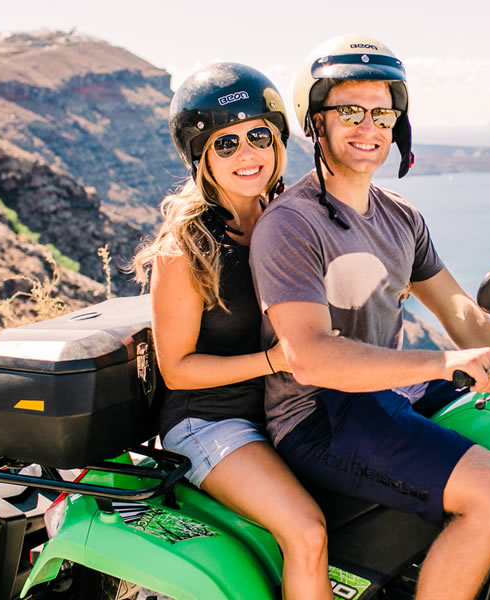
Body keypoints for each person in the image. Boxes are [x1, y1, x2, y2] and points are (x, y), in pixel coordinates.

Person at [250, 36, 490, 600]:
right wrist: (449, 361)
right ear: (315, 121)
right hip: (319, 415)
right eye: (349, 111)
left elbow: (456, 307)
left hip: (386, 396)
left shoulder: (401, 217)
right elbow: (310, 357)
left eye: (382, 112)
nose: (368, 126)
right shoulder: (292, 225)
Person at [132, 63, 331, 600]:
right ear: (201, 158)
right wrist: (277, 361)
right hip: (210, 421)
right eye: (226, 144)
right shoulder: (186, 249)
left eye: (258, 136)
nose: (248, 155)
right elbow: (176, 368)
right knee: (307, 533)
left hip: (280, 412)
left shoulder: (287, 220)